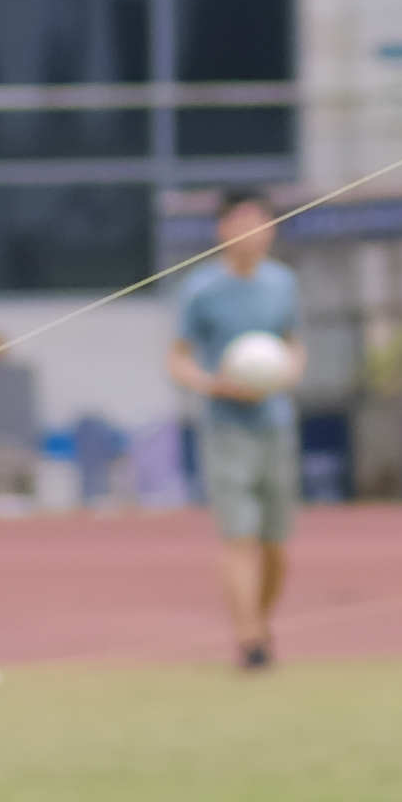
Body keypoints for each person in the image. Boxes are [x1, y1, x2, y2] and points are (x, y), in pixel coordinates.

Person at [167, 187, 305, 671]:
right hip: (225, 428)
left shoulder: (283, 284)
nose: (251, 233)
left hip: (275, 424)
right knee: (238, 534)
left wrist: (283, 375)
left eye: (260, 223)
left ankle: (258, 625)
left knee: (275, 544)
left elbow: (295, 348)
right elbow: (177, 358)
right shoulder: (200, 289)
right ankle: (248, 639)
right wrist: (213, 385)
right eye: (240, 223)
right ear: (222, 230)